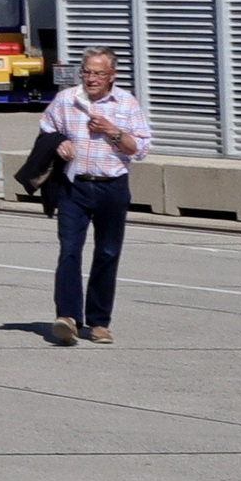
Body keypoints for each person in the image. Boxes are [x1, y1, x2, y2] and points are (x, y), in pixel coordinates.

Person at [41, 48, 149, 347]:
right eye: (87, 72)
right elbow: (47, 127)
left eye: (98, 73)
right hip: (74, 186)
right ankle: (68, 318)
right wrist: (58, 142)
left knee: (108, 253)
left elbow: (139, 149)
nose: (91, 79)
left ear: (111, 76)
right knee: (70, 251)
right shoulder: (67, 99)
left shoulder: (126, 103)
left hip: (111, 186)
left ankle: (99, 322)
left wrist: (113, 132)